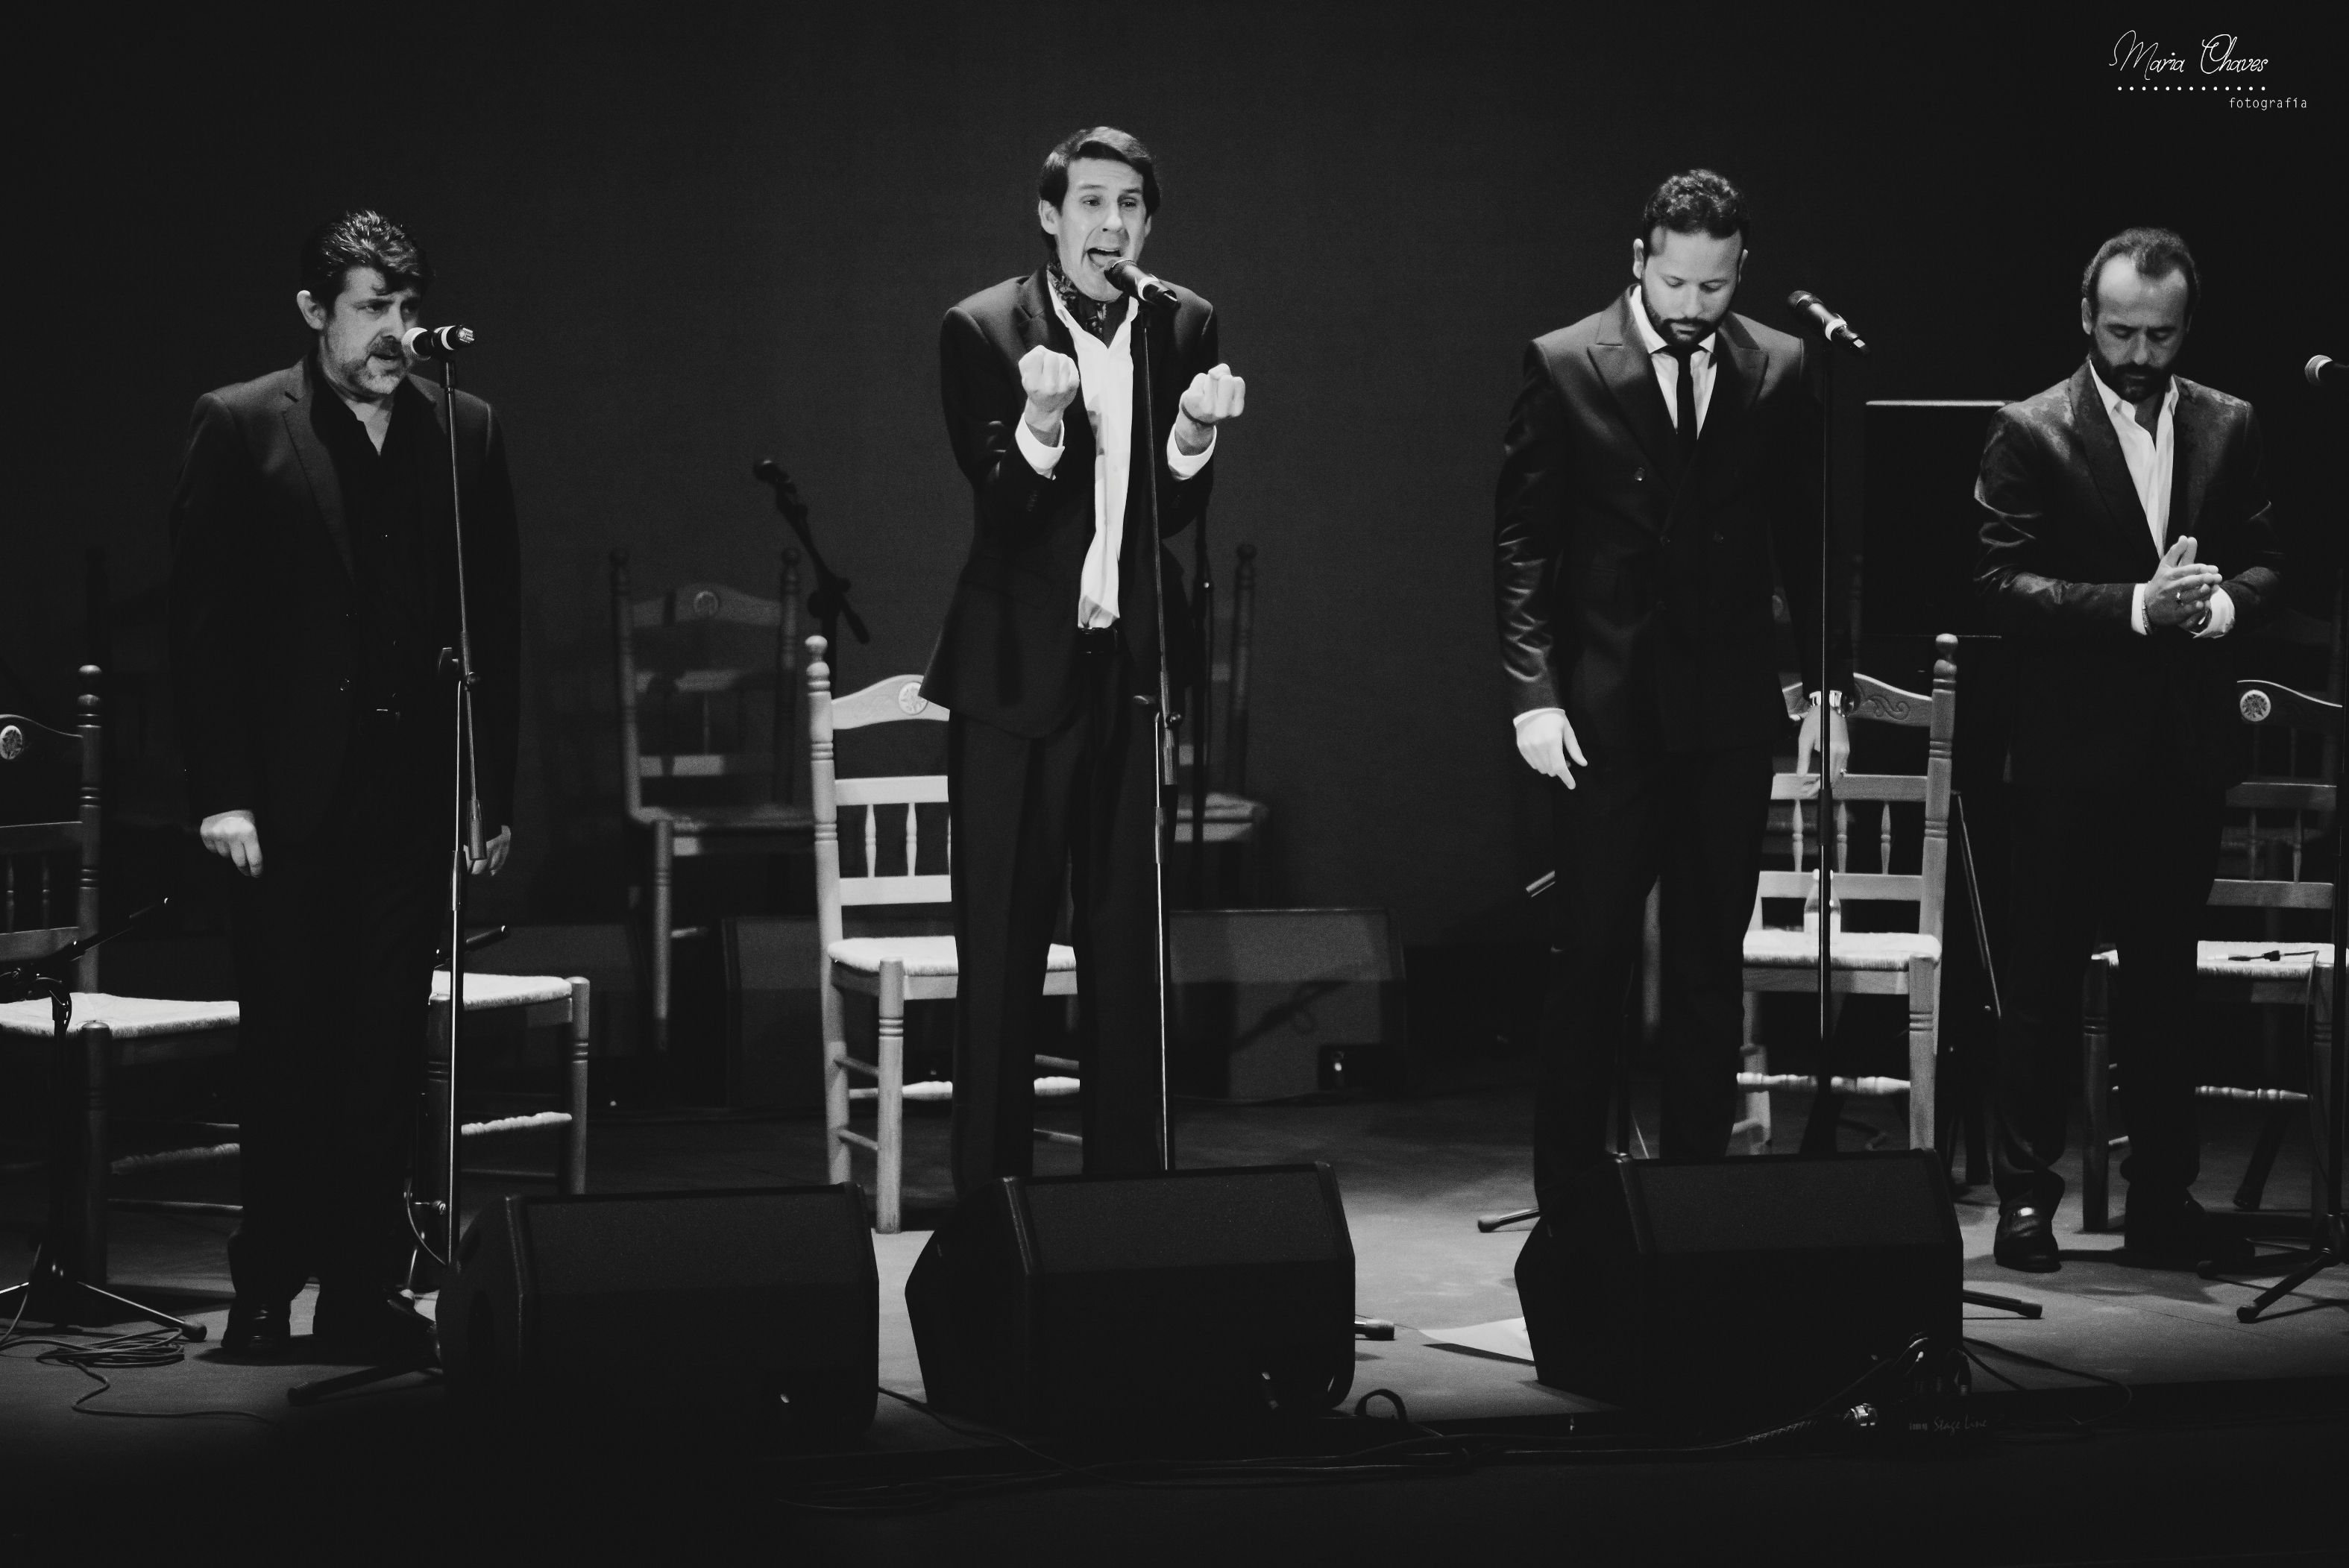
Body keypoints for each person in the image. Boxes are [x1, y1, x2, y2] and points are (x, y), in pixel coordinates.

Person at [169, 211, 521, 1355]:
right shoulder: (240, 425)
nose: (396, 334)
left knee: (382, 1052)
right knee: (286, 1045)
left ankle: (366, 1292)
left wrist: (488, 798)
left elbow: (493, 625)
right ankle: (266, 1290)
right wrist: (221, 790)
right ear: (316, 311)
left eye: (407, 310)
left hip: (407, 795)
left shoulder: (460, 428)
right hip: (283, 801)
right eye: (373, 309)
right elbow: (203, 628)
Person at [1494, 169, 1849, 1205]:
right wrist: (1531, 692)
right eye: (1677, 284)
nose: (1693, 308)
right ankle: (1568, 1202)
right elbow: (1520, 542)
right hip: (1601, 712)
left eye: (1715, 287)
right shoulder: (1564, 363)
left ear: (1740, 271)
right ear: (1639, 262)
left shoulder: (1779, 367)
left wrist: (1823, 689)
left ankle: (1697, 1201)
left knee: (1707, 969)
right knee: (1590, 963)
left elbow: (1809, 542)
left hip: (1725, 713)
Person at [922, 126, 1245, 1198]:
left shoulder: (1180, 320)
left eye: (1132, 208)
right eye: (1093, 204)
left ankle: (1127, 1210)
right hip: (1014, 682)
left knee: (1125, 951)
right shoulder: (980, 328)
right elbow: (1007, 507)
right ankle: (989, 1213)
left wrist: (1195, 435)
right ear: (1050, 216)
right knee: (1005, 955)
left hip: (1128, 672)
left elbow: (1173, 504)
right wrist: (1043, 423)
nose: (1113, 226)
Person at [1975, 227, 2283, 1272]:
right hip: (2064, 757)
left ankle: (2161, 1201)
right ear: (2084, 319)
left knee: (2164, 988)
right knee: (2043, 987)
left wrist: (2221, 613)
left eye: (2159, 334)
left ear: (2184, 327)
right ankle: (2025, 1202)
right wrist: (2136, 609)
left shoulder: (2228, 423)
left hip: (2178, 754)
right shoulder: (2028, 429)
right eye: (2119, 332)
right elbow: (1996, 586)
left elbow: (2270, 560)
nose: (2139, 354)